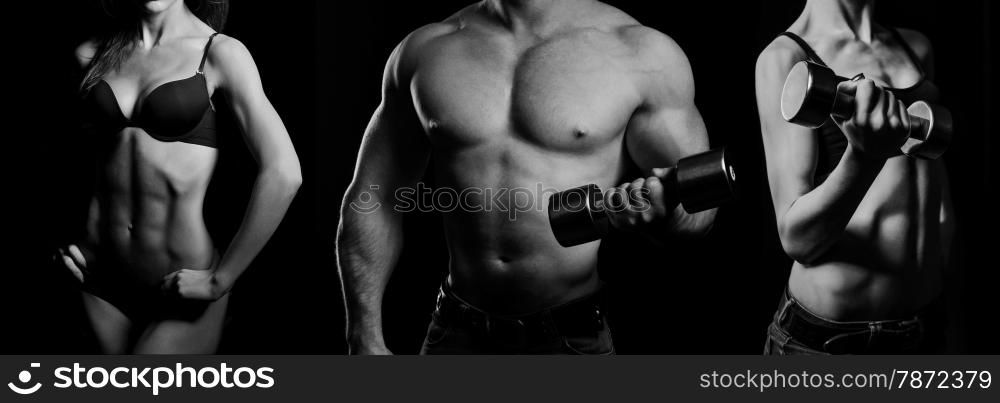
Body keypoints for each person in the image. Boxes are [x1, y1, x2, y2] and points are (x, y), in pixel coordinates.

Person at [338, 0, 715, 355]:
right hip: (455, 333)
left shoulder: (642, 54)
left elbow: (700, 210)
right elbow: (373, 199)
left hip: (571, 337)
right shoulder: (427, 50)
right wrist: (363, 336)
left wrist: (665, 215)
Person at [56, 0, 302, 354]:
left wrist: (221, 280)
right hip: (97, 278)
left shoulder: (219, 53)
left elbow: (284, 172)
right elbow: (62, 160)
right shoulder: (89, 54)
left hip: (180, 285)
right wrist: (57, 242)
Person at [755, 0, 954, 354]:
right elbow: (797, 239)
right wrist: (865, 156)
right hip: (830, 345)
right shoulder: (786, 58)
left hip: (925, 329)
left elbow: (934, 187)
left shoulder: (916, 47)